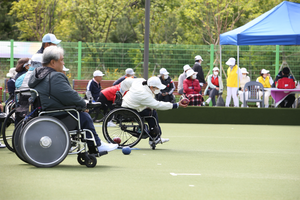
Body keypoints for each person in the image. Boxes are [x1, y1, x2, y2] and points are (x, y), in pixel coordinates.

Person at [28, 46, 117, 152]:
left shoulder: (37, 75)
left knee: (81, 113)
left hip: (45, 114)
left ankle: (95, 144)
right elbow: (69, 96)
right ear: (53, 62)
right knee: (84, 116)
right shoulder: (55, 76)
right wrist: (83, 105)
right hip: (58, 116)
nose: (63, 63)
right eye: (61, 60)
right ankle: (96, 145)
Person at [121, 77, 187, 146]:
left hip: (127, 104)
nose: (158, 89)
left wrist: (121, 92)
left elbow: (126, 82)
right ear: (152, 87)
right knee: (152, 113)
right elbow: (158, 105)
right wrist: (176, 105)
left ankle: (155, 137)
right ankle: (155, 138)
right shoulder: (144, 94)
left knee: (151, 111)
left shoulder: (140, 81)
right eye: (157, 88)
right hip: (130, 109)